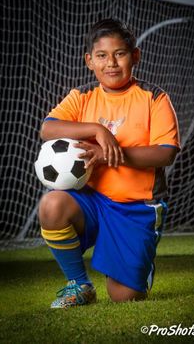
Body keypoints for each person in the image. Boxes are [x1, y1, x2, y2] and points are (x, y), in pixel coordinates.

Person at [39, 18, 180, 309]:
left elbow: (165, 153)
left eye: (120, 53)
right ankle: (79, 285)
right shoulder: (82, 96)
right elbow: (48, 129)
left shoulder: (154, 98)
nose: (111, 63)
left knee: (123, 297)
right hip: (91, 200)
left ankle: (138, 265)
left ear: (135, 56)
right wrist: (97, 130)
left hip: (134, 207)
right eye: (102, 55)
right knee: (52, 205)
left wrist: (109, 154)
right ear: (89, 61)